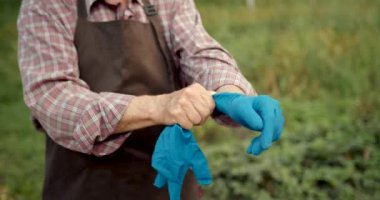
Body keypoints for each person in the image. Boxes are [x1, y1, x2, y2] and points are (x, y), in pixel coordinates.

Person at [17, 0, 263, 199]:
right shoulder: (46, 6)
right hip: (84, 183)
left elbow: (200, 53)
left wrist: (230, 93)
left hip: (168, 181)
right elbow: (52, 96)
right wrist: (158, 107)